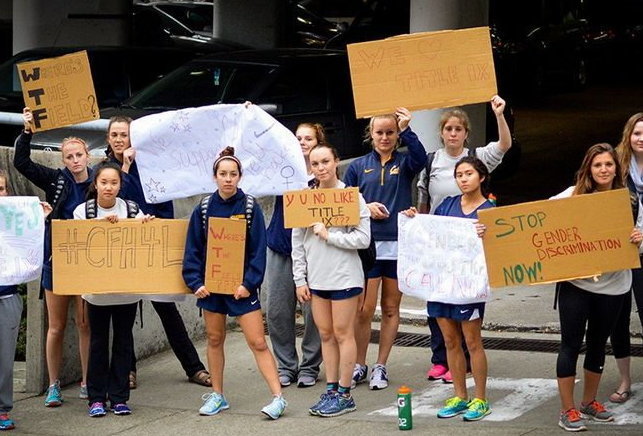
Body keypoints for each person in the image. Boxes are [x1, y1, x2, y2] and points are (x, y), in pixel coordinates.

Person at [104, 116, 211, 389]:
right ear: (107, 139)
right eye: (114, 135)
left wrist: (155, 223)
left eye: (124, 135)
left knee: (167, 310)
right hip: (123, 249)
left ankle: (194, 367)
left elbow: (165, 204)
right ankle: (128, 370)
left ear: (133, 138)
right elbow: (118, 201)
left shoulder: (152, 166)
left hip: (152, 244)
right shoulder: (104, 169)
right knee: (125, 313)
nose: (119, 140)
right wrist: (125, 167)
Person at [183, 147, 287, 419]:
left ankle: (278, 397)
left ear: (240, 176)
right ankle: (218, 395)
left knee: (258, 342)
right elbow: (192, 249)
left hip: (242, 288)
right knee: (215, 339)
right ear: (214, 177)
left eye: (233, 174)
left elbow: (258, 250)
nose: (228, 179)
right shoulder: (203, 209)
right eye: (222, 174)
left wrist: (248, 283)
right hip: (211, 288)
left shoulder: (250, 207)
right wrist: (195, 283)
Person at [417, 96, 512, 383]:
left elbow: (505, 145)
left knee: (469, 331)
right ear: (442, 132)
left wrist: (499, 114)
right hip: (440, 248)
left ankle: (470, 371)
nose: (453, 133)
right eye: (448, 129)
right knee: (440, 315)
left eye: (458, 129)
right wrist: (417, 223)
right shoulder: (432, 160)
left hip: (468, 266)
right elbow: (423, 196)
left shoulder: (478, 157)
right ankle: (442, 362)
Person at [550, 143, 642, 432]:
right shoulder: (573, 194)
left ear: (617, 168)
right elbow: (538, 220)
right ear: (588, 169)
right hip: (577, 284)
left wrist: (639, 237)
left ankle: (589, 402)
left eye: (609, 164)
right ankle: (567, 409)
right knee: (571, 344)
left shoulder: (629, 200)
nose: (604, 170)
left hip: (614, 286)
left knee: (599, 344)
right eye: (598, 165)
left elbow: (641, 233)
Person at [404, 156, 494, 421]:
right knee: (450, 340)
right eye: (459, 175)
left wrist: (487, 235)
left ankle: (480, 398)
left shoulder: (490, 211)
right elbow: (429, 233)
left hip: (470, 285)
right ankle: (460, 395)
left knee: (472, 342)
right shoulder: (446, 205)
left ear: (481, 177)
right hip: (442, 283)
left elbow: (500, 247)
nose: (463, 179)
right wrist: (413, 219)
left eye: (468, 174)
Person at [343, 107, 427, 390]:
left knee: (391, 307)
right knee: (364, 309)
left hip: (398, 245)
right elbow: (346, 203)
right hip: (368, 245)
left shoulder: (405, 163)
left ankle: (381, 365)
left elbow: (420, 158)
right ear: (371, 134)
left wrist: (407, 129)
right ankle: (359, 364)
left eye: (390, 132)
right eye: (380, 132)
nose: (385, 137)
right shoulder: (357, 166)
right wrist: (365, 207)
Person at [13, 108, 92, 406]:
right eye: (69, 156)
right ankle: (53, 384)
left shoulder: (100, 183)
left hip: (86, 265)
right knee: (55, 326)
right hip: (56, 262)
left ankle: (87, 381)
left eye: (79, 155)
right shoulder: (57, 181)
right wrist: (28, 130)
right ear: (63, 160)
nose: (74, 160)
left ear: (87, 156)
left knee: (85, 325)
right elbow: (21, 162)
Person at [292, 143, 371, 417]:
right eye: (315, 163)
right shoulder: (304, 199)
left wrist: (330, 235)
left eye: (325, 161)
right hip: (317, 278)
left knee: (342, 332)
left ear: (336, 161)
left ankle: (346, 393)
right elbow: (297, 241)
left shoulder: (351, 197)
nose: (321, 168)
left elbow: (363, 238)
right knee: (325, 334)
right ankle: (332, 387)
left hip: (345, 276)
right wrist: (299, 278)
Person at [73, 161, 154, 417]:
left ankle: (119, 397)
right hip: (96, 294)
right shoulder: (82, 211)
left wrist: (146, 226)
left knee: (123, 341)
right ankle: (96, 398)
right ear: (95, 184)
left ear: (121, 185)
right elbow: (76, 244)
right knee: (98, 342)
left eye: (114, 182)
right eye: (104, 182)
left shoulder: (132, 209)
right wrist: (101, 227)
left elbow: (145, 241)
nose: (109, 187)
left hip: (127, 291)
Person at [265, 123, 322, 388]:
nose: (302, 142)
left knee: (313, 312)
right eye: (298, 138)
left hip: (314, 252)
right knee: (277, 311)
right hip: (280, 245)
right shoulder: (280, 171)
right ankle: (287, 365)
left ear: (318, 142)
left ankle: (310, 365)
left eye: (308, 138)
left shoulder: (324, 174)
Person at [0, 170, 51, 431]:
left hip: (6, 297)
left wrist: (37, 221)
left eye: (1, 188)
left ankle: (1, 409)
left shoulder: (15, 221)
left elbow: (32, 252)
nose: (0, 194)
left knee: (4, 359)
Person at [611, 113, 643, 404]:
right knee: (618, 320)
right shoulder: (615, 167)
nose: (641, 139)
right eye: (636, 133)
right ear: (628, 136)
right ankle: (624, 379)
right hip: (619, 255)